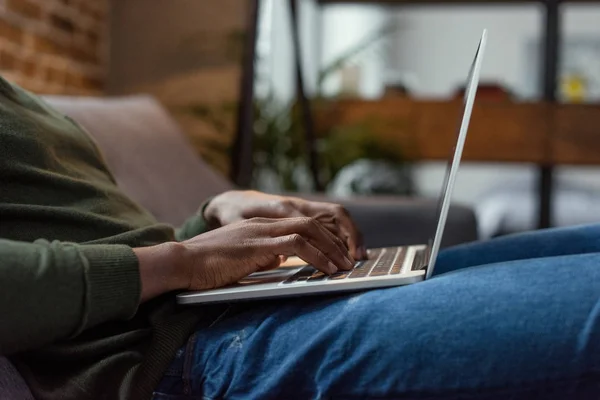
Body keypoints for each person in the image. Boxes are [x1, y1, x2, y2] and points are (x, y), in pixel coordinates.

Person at [0, 75, 598, 400]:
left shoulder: (19, 95)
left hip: (230, 306)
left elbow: (110, 239)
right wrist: (185, 258)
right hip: (187, 356)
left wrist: (213, 217)